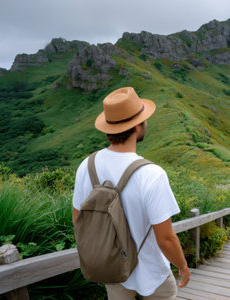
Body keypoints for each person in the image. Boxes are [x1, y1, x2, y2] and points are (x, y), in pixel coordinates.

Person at [72, 87, 190, 299]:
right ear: (137, 126)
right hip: (153, 275)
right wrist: (182, 266)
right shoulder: (152, 174)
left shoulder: (86, 166)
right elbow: (166, 239)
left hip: (113, 271)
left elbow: (78, 220)